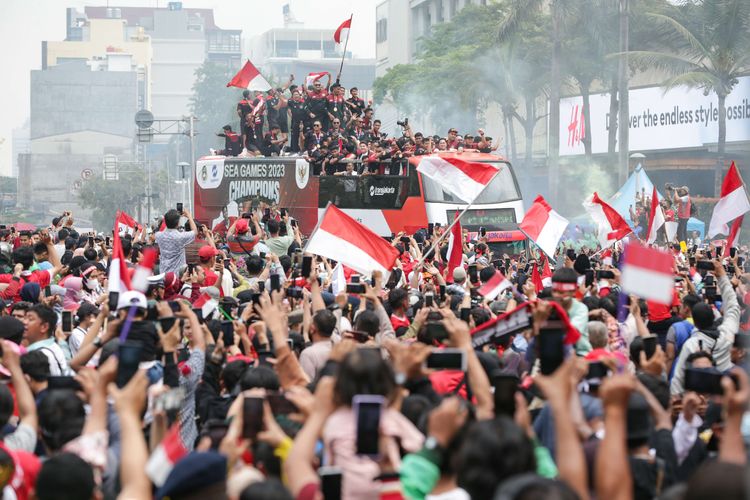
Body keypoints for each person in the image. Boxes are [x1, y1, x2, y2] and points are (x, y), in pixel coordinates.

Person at [155, 208, 199, 276]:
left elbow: (164, 228)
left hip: (163, 274)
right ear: (178, 223)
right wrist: (189, 216)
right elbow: (195, 231)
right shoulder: (180, 237)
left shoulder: (158, 235)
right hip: (177, 275)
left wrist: (170, 217)